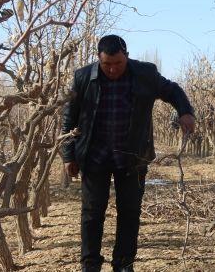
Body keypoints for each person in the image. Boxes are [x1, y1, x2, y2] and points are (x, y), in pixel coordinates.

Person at [61, 35, 195, 272]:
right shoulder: (83, 77)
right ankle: (89, 264)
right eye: (106, 64)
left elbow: (171, 90)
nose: (112, 69)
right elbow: (69, 118)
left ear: (127, 56)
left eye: (118, 64)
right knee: (92, 213)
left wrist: (185, 110)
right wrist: (68, 155)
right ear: (98, 59)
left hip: (132, 156)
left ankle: (123, 264)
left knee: (130, 212)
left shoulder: (145, 74)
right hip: (95, 155)